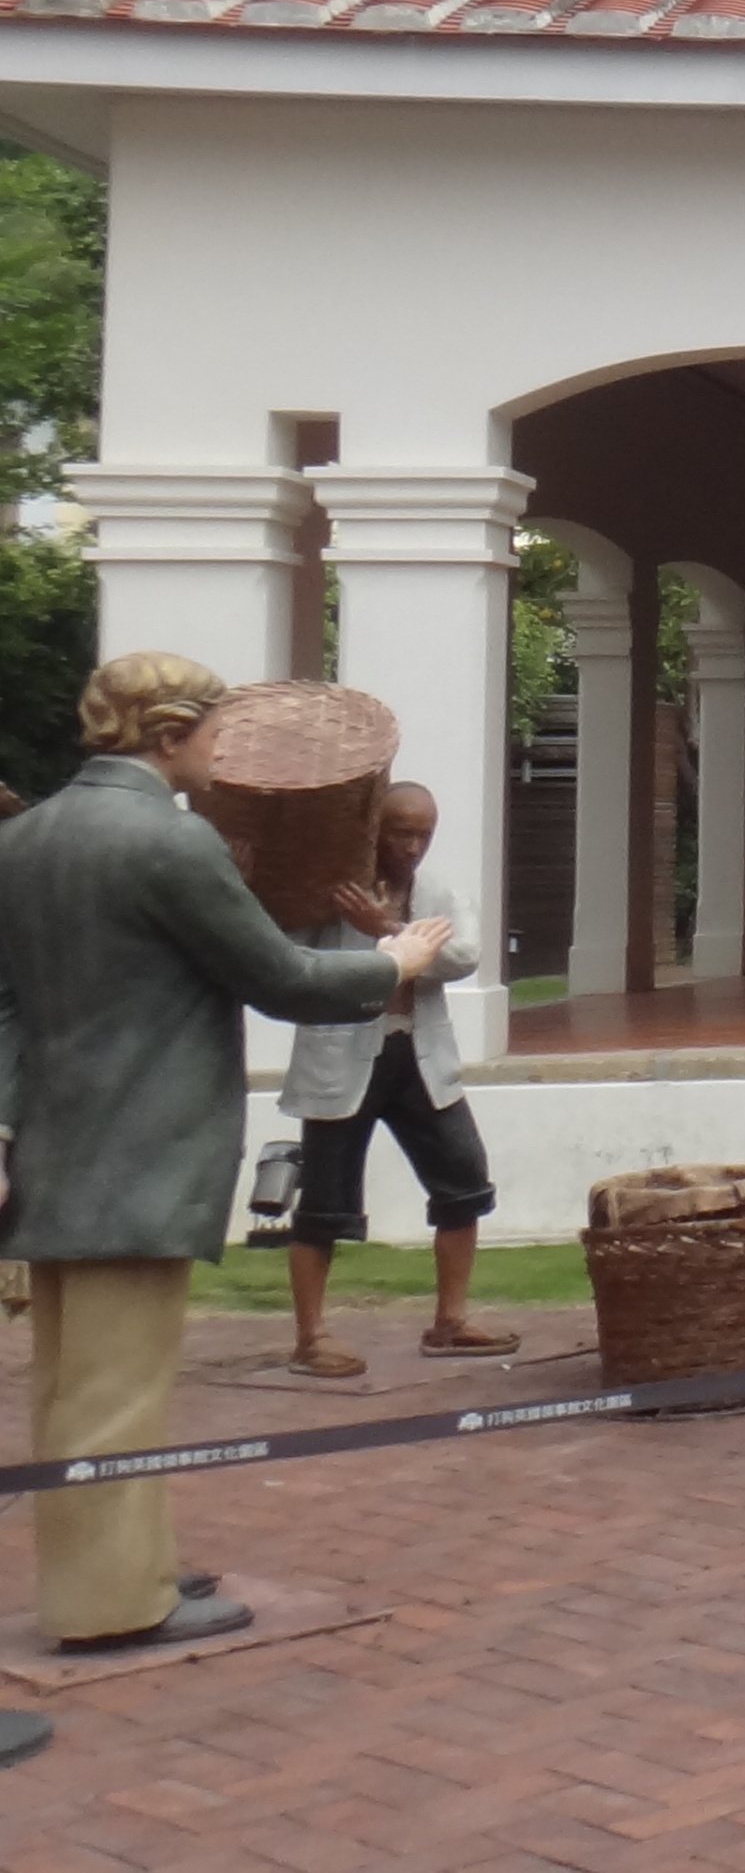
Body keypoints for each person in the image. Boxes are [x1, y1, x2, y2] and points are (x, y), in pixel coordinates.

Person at [0, 654, 451, 1650]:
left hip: (52, 1145)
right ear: (168, 734)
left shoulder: (26, 836)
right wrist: (392, 960)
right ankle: (117, 1603)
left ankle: (116, 1570)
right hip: (145, 1143)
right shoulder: (171, 841)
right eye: (212, 734)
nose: (223, 753)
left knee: (69, 1383)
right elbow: (280, 976)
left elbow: (9, 1001)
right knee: (118, 1389)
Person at [282, 781, 507, 1376]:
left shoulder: (437, 891)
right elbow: (288, 955)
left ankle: (450, 1321)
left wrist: (387, 927)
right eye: (400, 832)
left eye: (423, 834)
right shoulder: (333, 887)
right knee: (323, 1203)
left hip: (419, 1055)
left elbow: (465, 958)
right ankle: (311, 1336)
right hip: (342, 1058)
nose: (412, 846)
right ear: (373, 830)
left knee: (464, 1181)